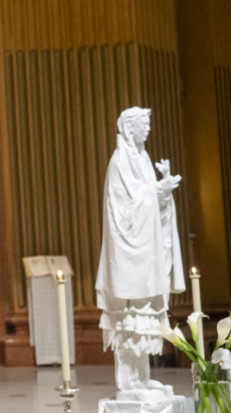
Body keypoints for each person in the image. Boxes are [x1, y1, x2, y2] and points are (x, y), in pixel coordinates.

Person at [95, 107, 185, 397]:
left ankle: (142, 378)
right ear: (129, 127)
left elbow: (145, 200)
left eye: (149, 124)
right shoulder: (120, 160)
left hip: (145, 251)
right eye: (143, 125)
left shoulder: (142, 158)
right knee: (129, 317)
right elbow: (123, 209)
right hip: (128, 252)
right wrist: (155, 191)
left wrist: (162, 193)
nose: (147, 129)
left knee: (144, 315)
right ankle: (129, 382)